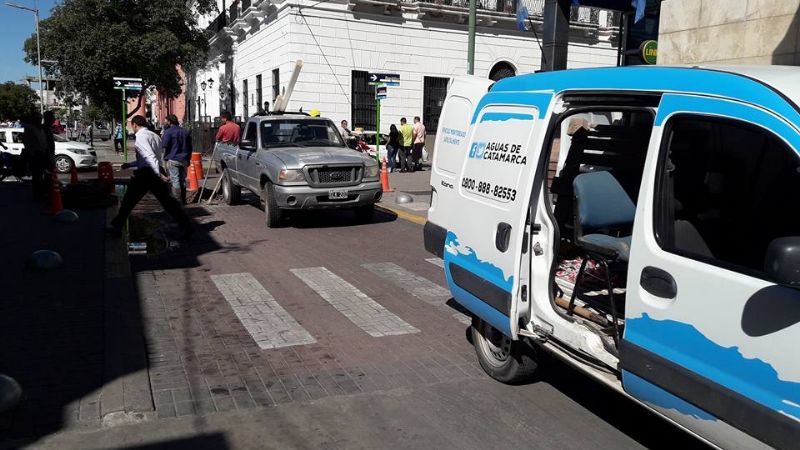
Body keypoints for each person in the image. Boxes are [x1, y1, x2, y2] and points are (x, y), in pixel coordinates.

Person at [107, 116, 192, 239]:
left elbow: (149, 157)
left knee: (128, 201)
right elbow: (148, 158)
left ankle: (117, 226)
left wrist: (158, 174)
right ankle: (187, 226)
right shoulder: (154, 136)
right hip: (153, 170)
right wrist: (130, 165)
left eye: (131, 125)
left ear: (135, 124)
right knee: (168, 202)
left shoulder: (141, 137)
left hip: (147, 173)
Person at [161, 114, 192, 205]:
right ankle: (183, 199)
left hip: (173, 158)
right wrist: (189, 159)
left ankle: (177, 201)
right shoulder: (185, 131)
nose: (164, 122)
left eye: (166, 121)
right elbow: (190, 147)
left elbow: (164, 145)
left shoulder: (169, 131)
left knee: (175, 180)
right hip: (184, 158)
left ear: (169, 122)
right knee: (183, 179)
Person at [22, 112, 48, 202]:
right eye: (38, 118)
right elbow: (26, 142)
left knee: (41, 175)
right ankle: (37, 195)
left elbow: (43, 141)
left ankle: (40, 193)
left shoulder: (40, 129)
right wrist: (31, 153)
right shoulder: (30, 128)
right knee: (37, 176)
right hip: (35, 154)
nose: (39, 120)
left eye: (40, 118)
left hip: (42, 153)